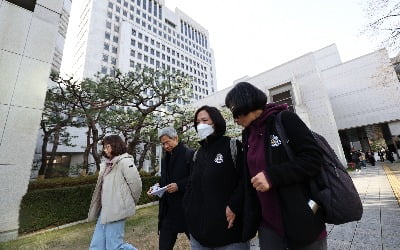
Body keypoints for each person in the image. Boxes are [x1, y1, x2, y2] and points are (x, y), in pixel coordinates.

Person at [225, 82, 326, 250]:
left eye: (235, 113)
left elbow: (313, 158)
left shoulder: (285, 119)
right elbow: (247, 176)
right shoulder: (247, 134)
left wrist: (272, 176)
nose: (235, 120)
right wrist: (235, 205)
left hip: (303, 216)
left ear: (246, 104)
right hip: (268, 224)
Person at [183, 105, 250, 249]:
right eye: (197, 122)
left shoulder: (232, 146)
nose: (200, 125)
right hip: (199, 234)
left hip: (230, 232)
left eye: (205, 120)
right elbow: (191, 185)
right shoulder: (198, 154)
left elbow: (245, 180)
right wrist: (189, 211)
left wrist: (234, 205)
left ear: (216, 121)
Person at [88, 135, 142, 250]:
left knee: (115, 246)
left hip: (117, 210)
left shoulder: (125, 162)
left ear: (115, 145)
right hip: (105, 210)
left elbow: (136, 185)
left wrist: (128, 203)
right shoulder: (107, 164)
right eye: (104, 147)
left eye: (108, 147)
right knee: (96, 246)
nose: (105, 150)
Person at [147, 127, 193, 250]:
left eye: (168, 142)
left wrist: (179, 185)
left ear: (176, 138)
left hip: (187, 209)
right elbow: (164, 181)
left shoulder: (189, 154)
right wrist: (156, 188)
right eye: (163, 144)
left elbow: (196, 179)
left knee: (199, 245)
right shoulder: (165, 158)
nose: (166, 146)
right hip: (168, 210)